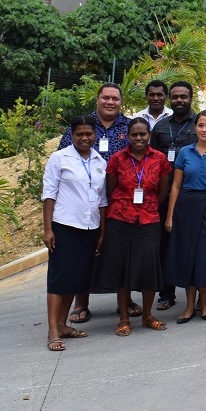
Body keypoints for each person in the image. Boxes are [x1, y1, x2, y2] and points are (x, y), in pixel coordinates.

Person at [57, 83, 130, 324]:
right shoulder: (82, 125)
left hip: (121, 200)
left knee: (121, 251)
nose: (110, 102)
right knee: (86, 251)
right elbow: (64, 157)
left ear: (121, 102)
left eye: (115, 99)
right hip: (86, 200)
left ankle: (126, 301)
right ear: (97, 99)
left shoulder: (129, 126)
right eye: (106, 98)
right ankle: (81, 303)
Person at [95, 118, 174, 335]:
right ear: (128, 136)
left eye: (142, 134)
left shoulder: (160, 159)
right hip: (120, 220)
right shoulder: (117, 159)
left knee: (148, 268)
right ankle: (123, 318)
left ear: (149, 135)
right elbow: (110, 191)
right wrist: (126, 207)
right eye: (134, 135)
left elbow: (162, 192)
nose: (138, 138)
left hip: (149, 220)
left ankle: (147, 315)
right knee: (123, 269)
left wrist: (148, 207)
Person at [41, 115, 107, 351]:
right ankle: (52, 331)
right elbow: (49, 194)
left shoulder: (100, 161)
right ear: (72, 134)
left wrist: (101, 231)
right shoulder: (60, 158)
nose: (84, 138)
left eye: (88, 133)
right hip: (65, 226)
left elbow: (102, 199)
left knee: (76, 278)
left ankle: (63, 325)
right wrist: (48, 228)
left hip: (89, 227)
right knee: (59, 279)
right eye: (79, 134)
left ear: (95, 134)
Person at [164, 111, 206, 324]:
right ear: (195, 127)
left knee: (205, 257)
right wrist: (169, 216)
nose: (204, 130)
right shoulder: (185, 152)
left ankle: (204, 304)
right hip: (186, 207)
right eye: (200, 125)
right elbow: (175, 186)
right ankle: (188, 306)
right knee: (187, 257)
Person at [149, 80, 197, 310]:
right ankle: (166, 294)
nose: (179, 100)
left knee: (191, 244)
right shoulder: (160, 127)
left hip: (191, 194)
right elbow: (151, 162)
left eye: (183, 97)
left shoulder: (200, 124)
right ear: (170, 99)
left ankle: (199, 292)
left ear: (190, 98)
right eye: (175, 97)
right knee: (164, 244)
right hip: (163, 194)